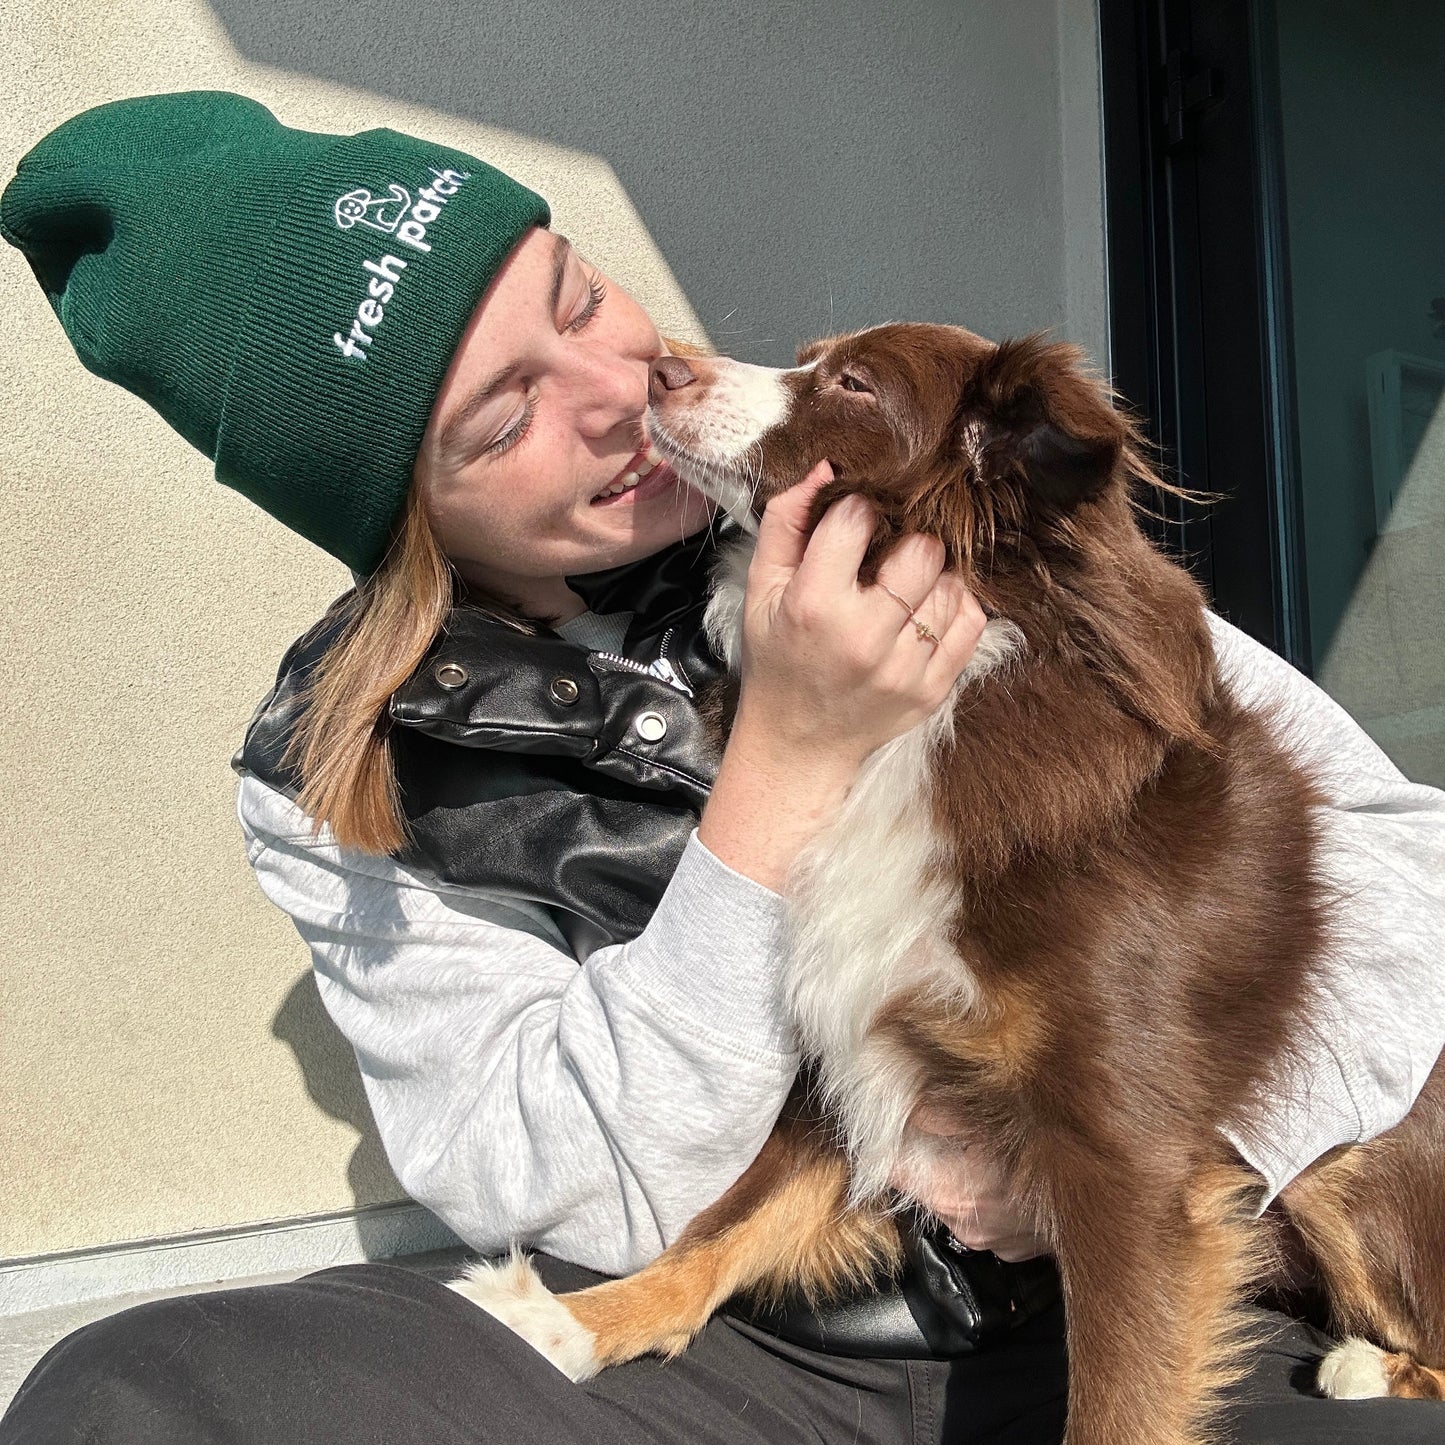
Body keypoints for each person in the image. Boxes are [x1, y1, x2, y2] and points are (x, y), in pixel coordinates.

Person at [2, 90, 1443, 1445]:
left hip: (1135, 1293)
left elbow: (1399, 866)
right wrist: (782, 764)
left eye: (579, 297)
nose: (621, 392)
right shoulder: (340, 765)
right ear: (398, 503)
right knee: (126, 1394)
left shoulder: (929, 511)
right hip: (749, 1340)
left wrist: (1169, 1125)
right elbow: (579, 1180)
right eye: (503, 419)